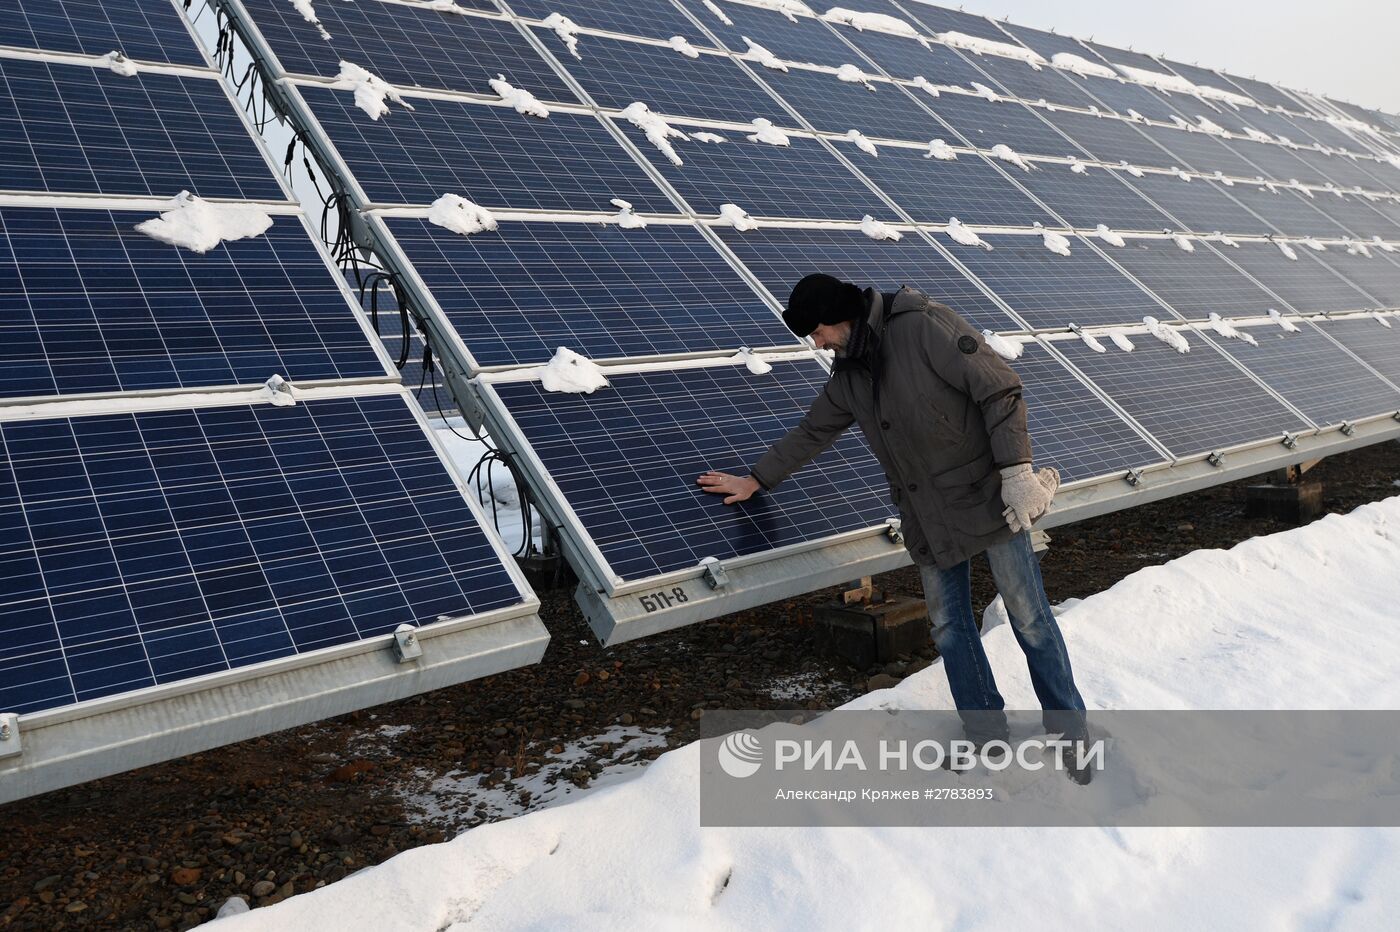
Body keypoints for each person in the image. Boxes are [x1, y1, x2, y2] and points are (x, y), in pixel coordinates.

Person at [697, 274, 1090, 783]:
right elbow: (813, 430)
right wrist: (756, 479)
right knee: (950, 629)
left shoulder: (922, 326)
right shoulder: (851, 374)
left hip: (989, 499)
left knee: (1030, 617)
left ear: (838, 315)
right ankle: (987, 735)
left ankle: (1070, 732)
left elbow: (1001, 389)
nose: (814, 343)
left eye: (815, 331)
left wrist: (1016, 472)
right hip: (926, 515)